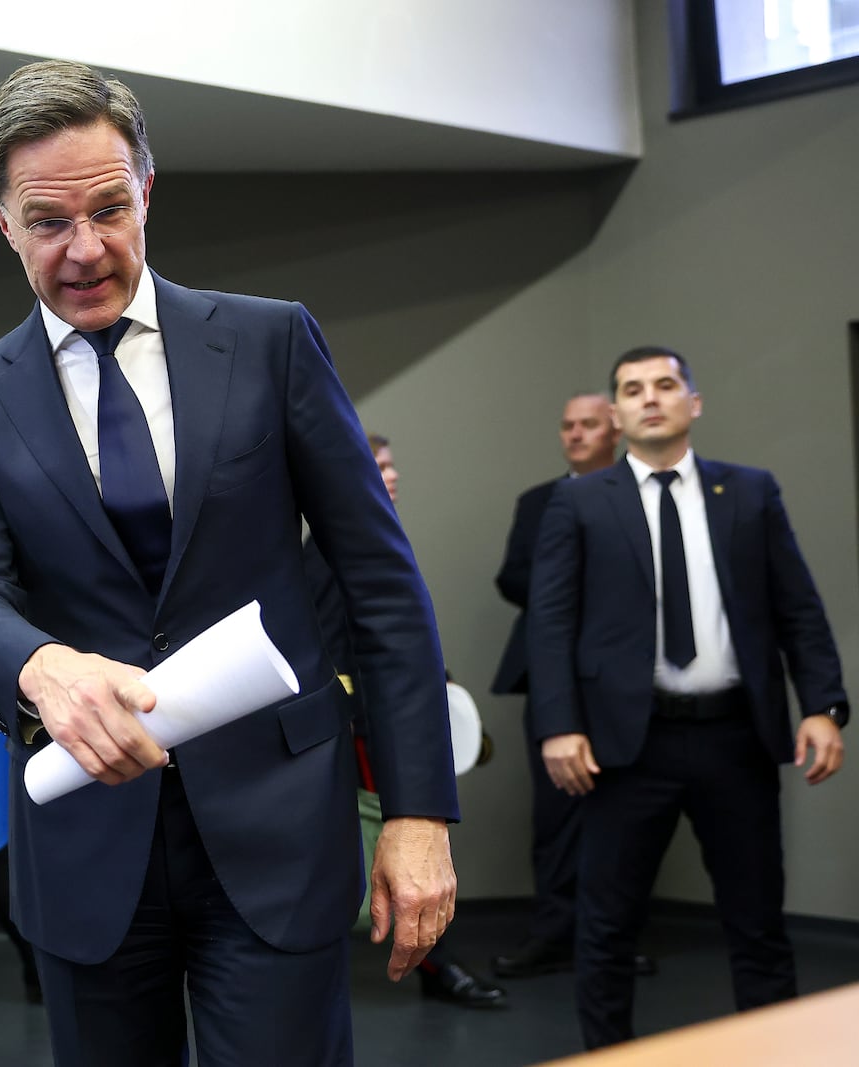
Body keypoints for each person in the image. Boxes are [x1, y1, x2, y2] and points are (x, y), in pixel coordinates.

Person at [0, 60, 459, 1067]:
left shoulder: (269, 342)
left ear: (146, 191)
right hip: (87, 835)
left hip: (278, 824)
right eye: (47, 222)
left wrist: (419, 811)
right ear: (2, 222)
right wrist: (42, 663)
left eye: (109, 208)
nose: (85, 249)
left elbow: (380, 582)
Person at [527, 345, 847, 1049]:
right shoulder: (579, 502)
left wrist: (823, 704)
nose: (650, 397)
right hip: (623, 747)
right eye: (632, 388)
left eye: (666, 384)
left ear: (692, 402)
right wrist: (558, 723)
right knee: (606, 925)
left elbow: (798, 606)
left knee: (758, 922)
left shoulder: (752, 491)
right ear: (614, 414)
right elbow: (550, 622)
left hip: (737, 737)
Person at [305, 435, 506, 1010]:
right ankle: (436, 965)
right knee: (397, 844)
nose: (389, 475)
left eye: (393, 464)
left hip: (389, 722)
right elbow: (326, 644)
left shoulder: (374, 539)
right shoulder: (328, 548)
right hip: (365, 729)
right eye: (376, 465)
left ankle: (436, 962)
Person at [489, 394, 657, 980]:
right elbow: (511, 577)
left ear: (614, 429)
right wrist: (579, 584)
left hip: (630, 680)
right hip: (554, 675)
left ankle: (613, 937)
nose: (576, 434)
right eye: (567, 426)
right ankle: (555, 934)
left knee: (628, 816)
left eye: (588, 424)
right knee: (556, 815)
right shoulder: (539, 500)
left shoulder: (649, 495)